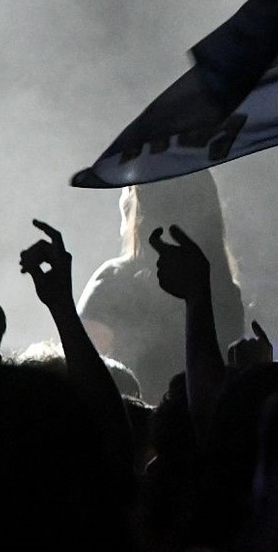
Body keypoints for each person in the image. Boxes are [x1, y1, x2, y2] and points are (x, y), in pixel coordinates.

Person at [76, 170, 246, 397]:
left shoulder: (115, 281)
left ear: (140, 204)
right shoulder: (227, 294)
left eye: (129, 188)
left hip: (132, 417)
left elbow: (79, 369)